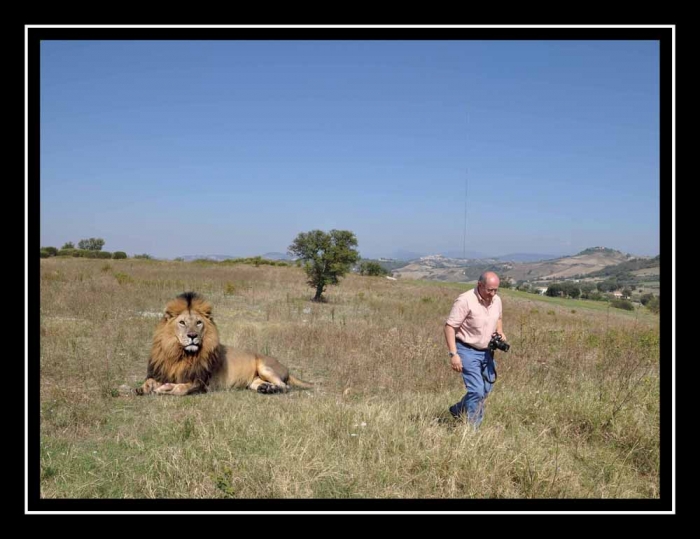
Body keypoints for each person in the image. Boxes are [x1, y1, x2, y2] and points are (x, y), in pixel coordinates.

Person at [444, 271, 507, 427]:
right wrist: (454, 354)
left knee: (485, 389)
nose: (493, 294)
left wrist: (500, 332)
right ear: (480, 285)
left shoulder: (496, 300)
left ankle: (458, 410)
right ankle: (473, 430)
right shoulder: (465, 300)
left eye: (496, 290)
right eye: (489, 290)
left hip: (487, 352)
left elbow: (498, 317)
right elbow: (450, 327)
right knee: (477, 391)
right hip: (466, 349)